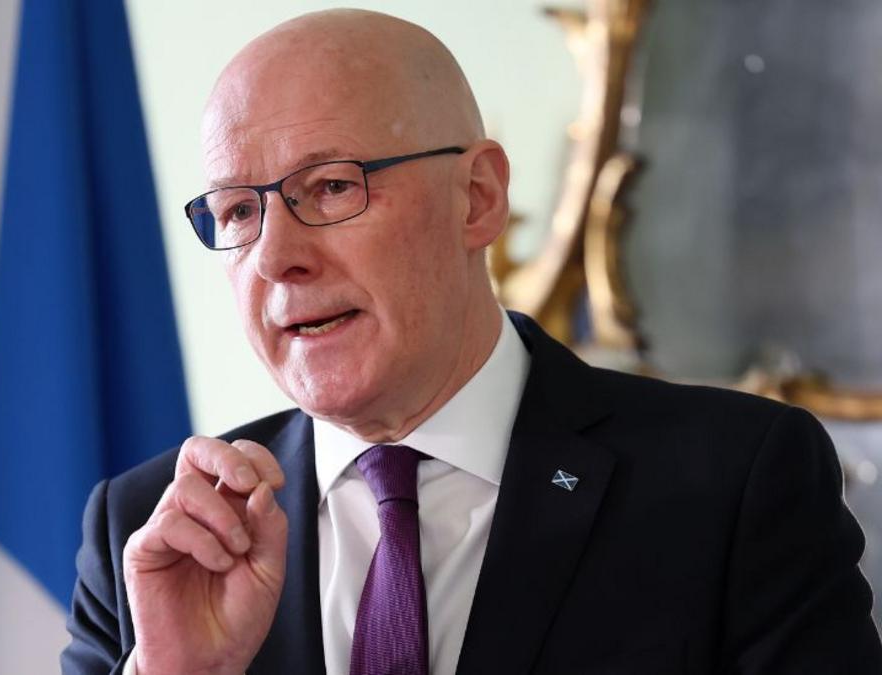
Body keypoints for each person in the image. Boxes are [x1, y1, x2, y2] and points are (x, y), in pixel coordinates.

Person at [61, 9, 881, 674]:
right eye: (239, 211)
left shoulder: (733, 482)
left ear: (478, 198)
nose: (276, 257)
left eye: (333, 186)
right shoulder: (148, 535)